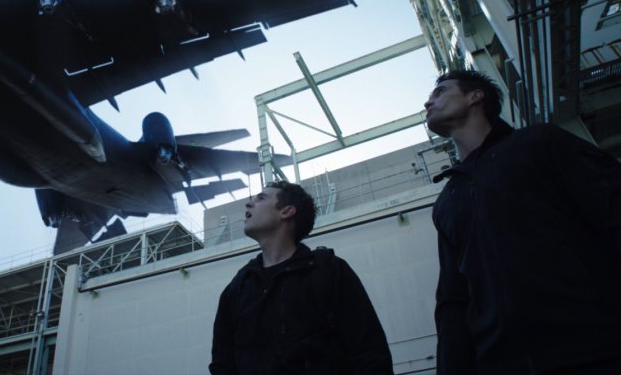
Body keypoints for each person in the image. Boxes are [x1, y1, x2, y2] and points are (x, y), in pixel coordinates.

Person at [424, 70, 621, 374]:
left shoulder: (538, 142)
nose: (428, 102)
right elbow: (453, 299)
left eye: (439, 92)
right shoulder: (447, 202)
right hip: (502, 365)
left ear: (475, 96)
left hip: (595, 350)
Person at [209, 181, 393, 374]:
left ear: (287, 211)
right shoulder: (237, 289)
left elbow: (369, 353)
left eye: (261, 198)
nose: (248, 204)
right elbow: (223, 366)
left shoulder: (329, 271)